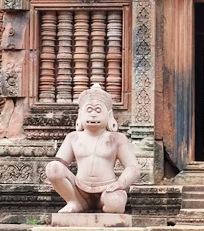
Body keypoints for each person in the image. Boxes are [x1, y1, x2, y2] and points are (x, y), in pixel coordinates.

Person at [45, 84, 139, 213]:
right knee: (52, 167)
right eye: (89, 110)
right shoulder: (73, 137)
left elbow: (133, 167)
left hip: (108, 189)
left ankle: (106, 203)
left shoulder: (117, 138)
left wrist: (121, 183)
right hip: (78, 190)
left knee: (115, 204)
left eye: (98, 110)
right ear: (80, 114)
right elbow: (59, 164)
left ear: (109, 115)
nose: (93, 115)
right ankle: (74, 202)